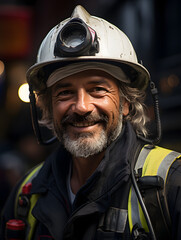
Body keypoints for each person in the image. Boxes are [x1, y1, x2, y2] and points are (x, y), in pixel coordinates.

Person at [1, 5, 181, 240]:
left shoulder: (172, 184)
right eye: (64, 93)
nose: (82, 107)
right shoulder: (27, 193)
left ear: (125, 103)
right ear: (48, 106)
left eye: (97, 89)